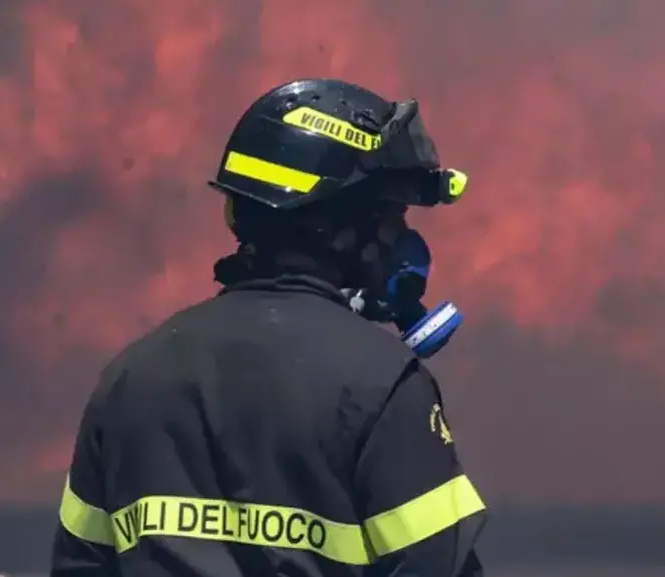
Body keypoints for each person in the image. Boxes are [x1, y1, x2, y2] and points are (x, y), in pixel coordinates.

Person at [50, 78, 486, 577]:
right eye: (391, 216)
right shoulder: (383, 386)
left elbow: (79, 564)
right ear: (335, 224)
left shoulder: (130, 378)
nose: (401, 239)